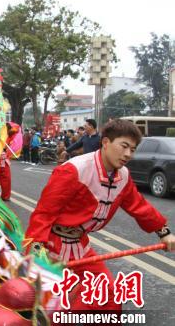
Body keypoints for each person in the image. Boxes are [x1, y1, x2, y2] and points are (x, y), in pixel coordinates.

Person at [25, 119, 175, 313]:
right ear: (105, 143)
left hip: (80, 245)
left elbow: (139, 206)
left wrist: (164, 231)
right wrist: (37, 251)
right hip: (52, 246)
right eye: (124, 146)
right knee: (54, 308)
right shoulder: (74, 170)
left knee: (108, 295)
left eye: (133, 149)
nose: (128, 154)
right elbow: (44, 213)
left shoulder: (124, 176)